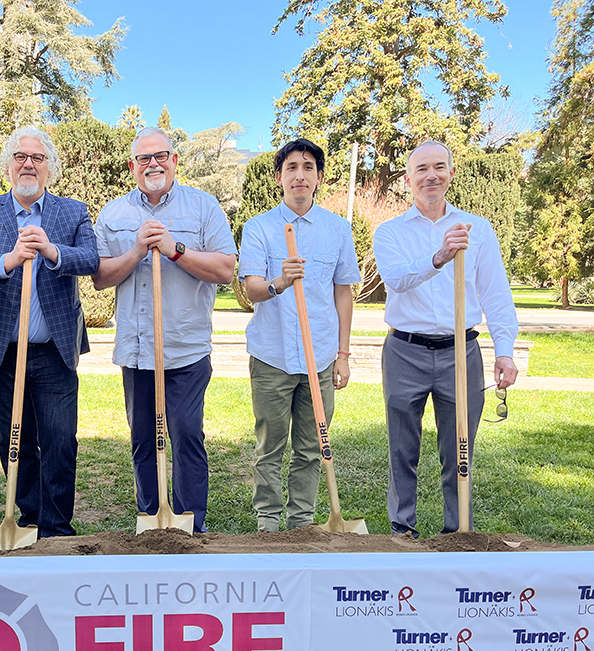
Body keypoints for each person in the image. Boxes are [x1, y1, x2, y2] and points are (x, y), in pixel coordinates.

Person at [92, 127, 236, 533]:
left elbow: (226, 269)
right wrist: (137, 250)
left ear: (174, 160)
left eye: (161, 156)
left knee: (186, 436)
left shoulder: (203, 207)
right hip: (137, 351)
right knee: (143, 440)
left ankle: (190, 526)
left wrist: (175, 249)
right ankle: (152, 522)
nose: (153, 164)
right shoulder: (113, 214)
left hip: (185, 349)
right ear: (132, 166)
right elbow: (100, 277)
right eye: (144, 158)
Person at [0, 126, 98, 538]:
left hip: (54, 348)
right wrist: (9, 259)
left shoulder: (72, 212)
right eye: (20, 156)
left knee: (60, 439)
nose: (28, 164)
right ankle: (30, 518)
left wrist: (51, 251)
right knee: (13, 438)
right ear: (8, 165)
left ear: (50, 167)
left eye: (37, 158)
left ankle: (56, 528)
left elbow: (91, 259)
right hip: (0, 349)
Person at [373, 141, 519, 537]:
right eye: (421, 169)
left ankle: (459, 532)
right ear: (408, 179)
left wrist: (504, 352)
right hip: (405, 350)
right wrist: (438, 257)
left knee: (460, 450)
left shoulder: (477, 229)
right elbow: (396, 279)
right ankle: (402, 532)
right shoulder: (390, 232)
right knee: (402, 449)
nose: (431, 175)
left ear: (451, 173)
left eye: (439, 166)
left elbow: (496, 295)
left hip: (461, 350)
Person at [239, 139, 361, 532]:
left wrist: (343, 354)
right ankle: (268, 523)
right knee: (269, 447)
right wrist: (279, 282)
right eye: (291, 167)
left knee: (312, 447)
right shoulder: (259, 228)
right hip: (271, 356)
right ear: (279, 177)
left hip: (320, 358)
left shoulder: (338, 229)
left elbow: (344, 292)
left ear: (319, 177)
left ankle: (302, 523)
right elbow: (251, 289)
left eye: (308, 168)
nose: (300, 175)